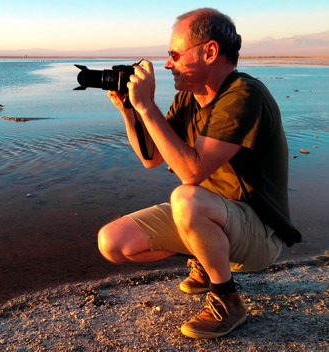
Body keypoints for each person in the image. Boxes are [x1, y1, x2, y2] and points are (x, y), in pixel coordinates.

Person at [97, 8, 301, 339]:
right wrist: (131, 111)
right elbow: (152, 159)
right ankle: (205, 259)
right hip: (216, 218)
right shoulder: (187, 99)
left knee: (186, 198)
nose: (167, 64)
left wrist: (148, 106)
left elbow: (190, 172)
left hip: (261, 232)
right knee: (114, 242)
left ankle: (227, 302)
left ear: (209, 51)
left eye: (174, 55)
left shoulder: (243, 96)